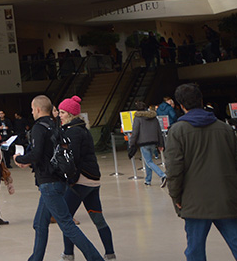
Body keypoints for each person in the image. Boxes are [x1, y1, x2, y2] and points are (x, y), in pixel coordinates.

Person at [165, 83, 237, 261]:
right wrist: (236, 193)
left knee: (195, 250)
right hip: (226, 198)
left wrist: (176, 197)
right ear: (201, 101)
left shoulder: (177, 131)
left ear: (181, 105)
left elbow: (174, 170)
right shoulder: (224, 128)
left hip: (193, 202)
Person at [15, 96, 105, 261]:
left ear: (37, 109)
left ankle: (95, 258)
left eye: (32, 108)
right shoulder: (55, 126)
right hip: (57, 181)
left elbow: (36, 154)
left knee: (67, 225)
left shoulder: (38, 128)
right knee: (39, 224)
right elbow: (47, 154)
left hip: (48, 184)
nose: (32, 111)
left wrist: (19, 159)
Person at [57, 97, 116, 261]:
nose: (59, 116)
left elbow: (71, 157)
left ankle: (68, 254)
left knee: (66, 218)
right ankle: (110, 252)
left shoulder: (72, 131)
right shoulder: (82, 129)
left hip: (81, 180)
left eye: (62, 112)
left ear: (70, 114)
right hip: (93, 179)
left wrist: (69, 178)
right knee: (97, 217)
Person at [130, 105, 166, 186]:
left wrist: (131, 143)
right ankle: (148, 180)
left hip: (143, 142)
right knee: (148, 161)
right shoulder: (154, 117)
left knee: (149, 161)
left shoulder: (138, 118)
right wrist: (161, 143)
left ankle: (162, 175)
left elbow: (135, 132)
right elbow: (159, 131)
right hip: (153, 142)